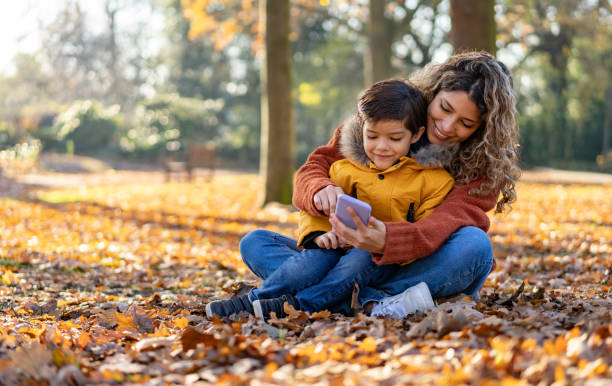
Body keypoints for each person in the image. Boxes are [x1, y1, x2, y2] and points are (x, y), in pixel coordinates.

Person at [215, 50, 520, 319]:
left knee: (475, 246)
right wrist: (321, 189)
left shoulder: (483, 165)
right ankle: (370, 300)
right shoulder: (387, 117)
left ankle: (354, 297)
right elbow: (314, 168)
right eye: (445, 108)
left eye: (466, 124)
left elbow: (445, 223)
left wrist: (387, 240)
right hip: (345, 254)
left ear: (482, 129)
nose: (448, 126)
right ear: (435, 90)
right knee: (257, 242)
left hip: (415, 263)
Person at [206, 79, 454, 319]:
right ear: (361, 128)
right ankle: (343, 298)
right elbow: (316, 211)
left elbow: (423, 237)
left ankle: (278, 303)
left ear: (415, 134)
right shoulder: (344, 169)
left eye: (395, 138)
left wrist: (382, 239)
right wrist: (319, 235)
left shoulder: (434, 180)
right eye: (372, 136)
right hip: (331, 254)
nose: (381, 147)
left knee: (359, 257)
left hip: (381, 260)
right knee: (258, 242)